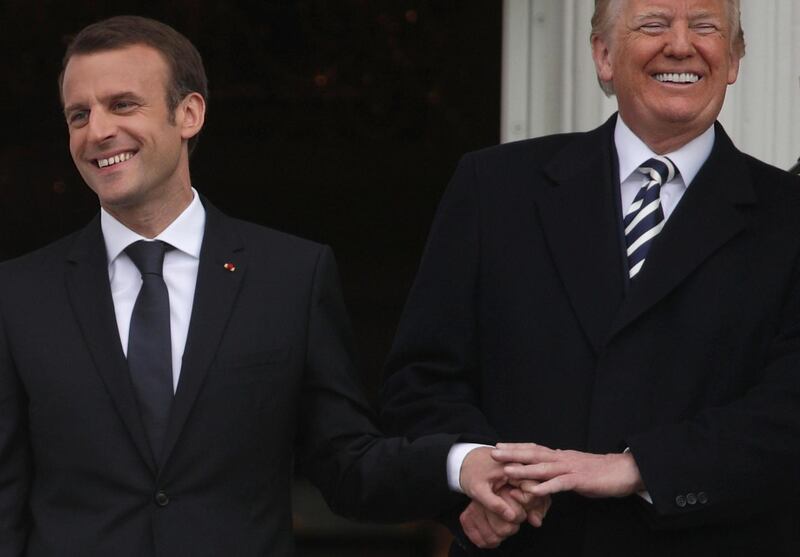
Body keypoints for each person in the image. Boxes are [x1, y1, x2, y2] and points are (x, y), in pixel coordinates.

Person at [0, 15, 515, 556]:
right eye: (78, 114)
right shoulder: (19, 296)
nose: (97, 130)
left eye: (123, 104)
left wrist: (459, 464)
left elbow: (346, 464)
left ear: (189, 114)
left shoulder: (289, 278)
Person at [381, 0, 800, 554]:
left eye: (706, 27)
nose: (681, 45)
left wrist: (639, 469)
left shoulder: (788, 216)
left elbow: (788, 411)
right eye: (653, 24)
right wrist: (475, 474)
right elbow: (422, 380)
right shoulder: (495, 188)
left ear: (735, 59)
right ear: (603, 56)